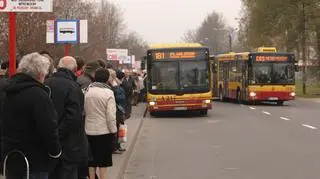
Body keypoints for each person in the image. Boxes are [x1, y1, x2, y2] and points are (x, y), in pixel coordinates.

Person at [1, 52, 62, 179]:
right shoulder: (40, 96)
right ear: (41, 74)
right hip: (35, 159)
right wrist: (55, 152)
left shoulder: (6, 92)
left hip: (10, 156)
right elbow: (48, 128)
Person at [45, 56, 87, 179]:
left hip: (50, 144)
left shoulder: (46, 83)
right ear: (75, 69)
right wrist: (59, 134)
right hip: (70, 146)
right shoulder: (73, 87)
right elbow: (73, 117)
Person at [84, 68, 117, 179]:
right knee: (103, 160)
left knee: (91, 160)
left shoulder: (87, 91)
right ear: (107, 78)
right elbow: (111, 116)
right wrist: (113, 130)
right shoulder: (108, 92)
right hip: (104, 131)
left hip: (88, 129)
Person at [108, 69, 126, 154]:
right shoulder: (112, 86)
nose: (113, 78)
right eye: (112, 76)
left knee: (118, 128)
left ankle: (117, 146)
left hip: (118, 109)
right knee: (114, 129)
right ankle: (114, 147)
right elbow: (119, 97)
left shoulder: (116, 84)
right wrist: (117, 87)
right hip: (115, 110)